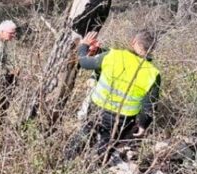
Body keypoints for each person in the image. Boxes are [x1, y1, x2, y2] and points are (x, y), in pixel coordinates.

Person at [68, 29, 161, 160]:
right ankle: (97, 167)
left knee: (84, 136)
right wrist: (142, 125)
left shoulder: (114, 55)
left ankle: (66, 161)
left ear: (133, 42)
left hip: (97, 110)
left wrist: (83, 45)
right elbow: (149, 106)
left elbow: (84, 62)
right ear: (151, 49)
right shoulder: (153, 73)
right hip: (123, 120)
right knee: (106, 148)